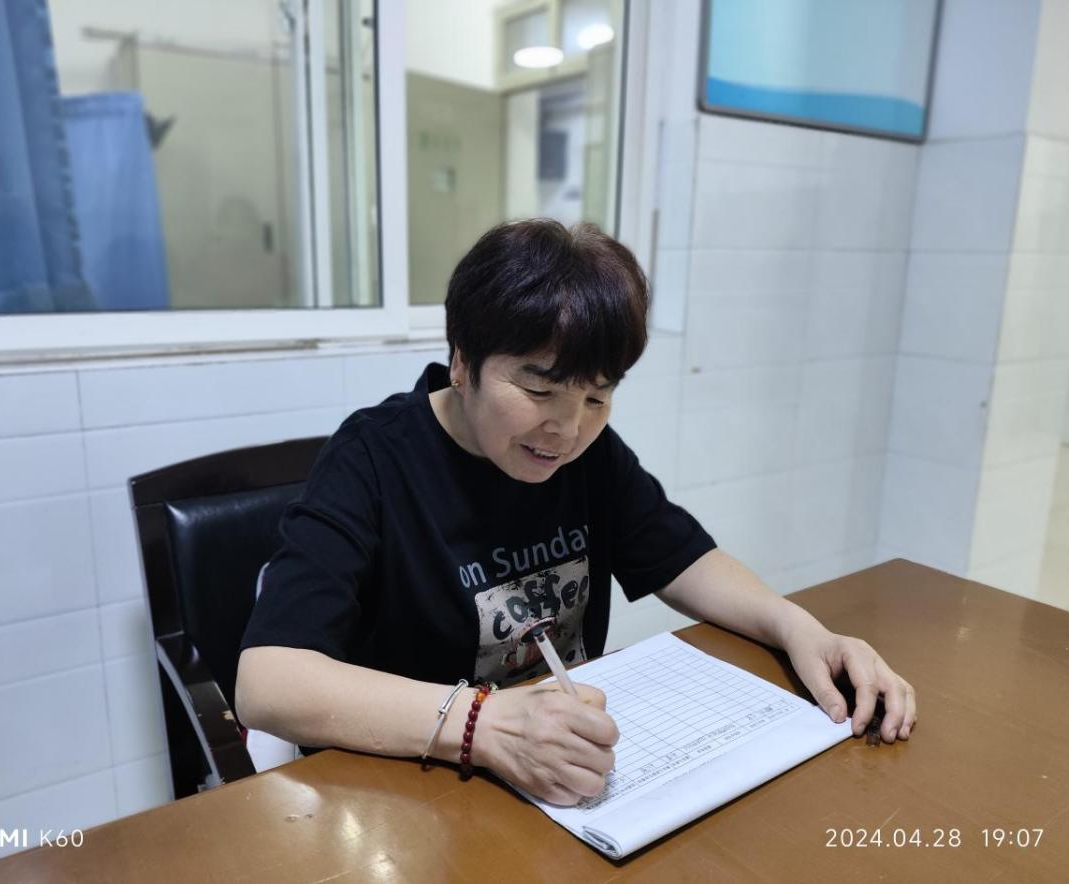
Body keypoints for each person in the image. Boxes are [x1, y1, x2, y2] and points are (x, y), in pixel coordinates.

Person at [236, 219, 917, 806]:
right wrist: (482, 726)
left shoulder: (585, 456)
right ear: (463, 361)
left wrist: (800, 629)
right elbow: (267, 681)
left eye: (596, 397)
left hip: (563, 776)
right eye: (539, 390)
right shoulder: (374, 458)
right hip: (417, 785)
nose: (565, 431)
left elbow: (684, 560)